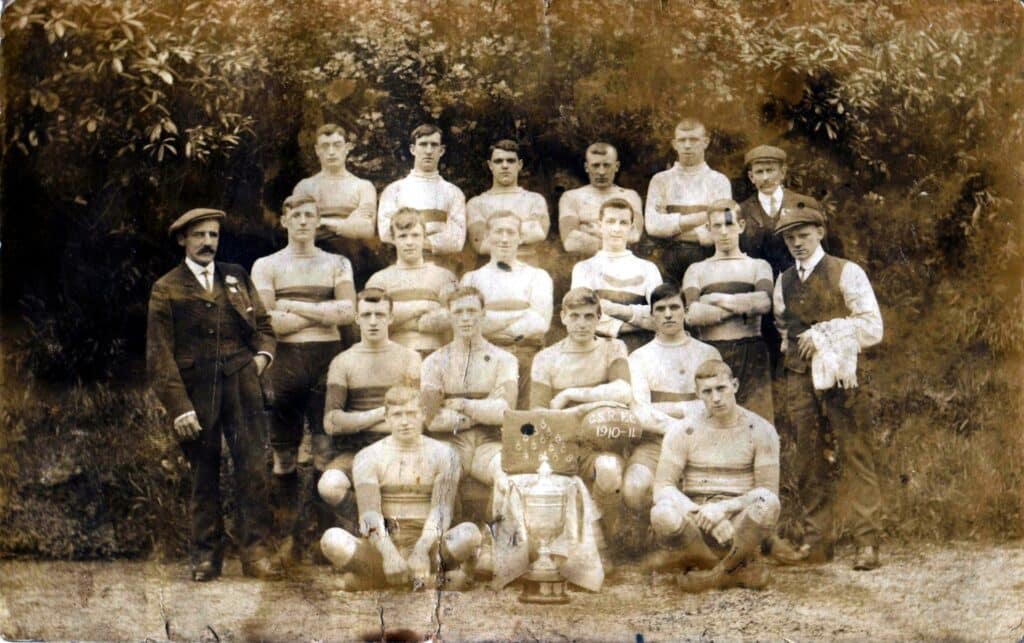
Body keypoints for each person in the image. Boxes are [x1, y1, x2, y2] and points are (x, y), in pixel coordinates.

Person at [146, 208, 282, 581]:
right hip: (197, 391)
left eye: (213, 235)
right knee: (202, 473)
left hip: (242, 385)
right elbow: (160, 356)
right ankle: (206, 557)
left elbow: (265, 328)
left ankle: (255, 555)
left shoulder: (236, 276)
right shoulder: (167, 287)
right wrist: (179, 408)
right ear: (182, 240)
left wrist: (259, 361)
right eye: (199, 235)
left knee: (253, 468)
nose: (208, 243)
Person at [773, 203, 884, 570]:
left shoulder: (846, 272)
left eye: (804, 235)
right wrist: (795, 349)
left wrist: (824, 334)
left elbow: (871, 327)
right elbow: (783, 327)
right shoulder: (784, 280)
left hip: (843, 375)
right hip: (799, 378)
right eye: (790, 238)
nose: (798, 244)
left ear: (820, 232)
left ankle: (866, 542)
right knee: (807, 456)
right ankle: (818, 541)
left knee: (855, 453)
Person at [251, 193, 357, 560]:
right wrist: (320, 312)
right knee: (284, 454)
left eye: (310, 215)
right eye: (296, 216)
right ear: (284, 221)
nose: (303, 222)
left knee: (325, 451)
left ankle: (321, 541)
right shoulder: (266, 265)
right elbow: (269, 322)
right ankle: (287, 539)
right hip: (285, 362)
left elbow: (346, 312)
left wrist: (292, 305)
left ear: (317, 221)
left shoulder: (337, 262)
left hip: (327, 359)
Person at [319, 386, 482, 590]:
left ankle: (371, 582)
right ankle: (426, 581)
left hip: (429, 543)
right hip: (382, 545)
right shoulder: (368, 456)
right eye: (397, 415)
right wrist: (389, 555)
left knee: (470, 533)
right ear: (386, 418)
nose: (405, 421)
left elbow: (441, 510)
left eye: (412, 413)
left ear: (423, 414)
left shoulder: (444, 454)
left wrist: (422, 551)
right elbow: (369, 515)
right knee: (331, 539)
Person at [649, 360, 781, 592]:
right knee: (661, 513)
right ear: (698, 394)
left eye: (721, 389)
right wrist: (702, 514)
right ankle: (728, 567)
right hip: (697, 521)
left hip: (737, 523)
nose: (716, 398)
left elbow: (768, 491)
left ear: (735, 385)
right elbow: (662, 486)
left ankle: (714, 575)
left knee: (768, 503)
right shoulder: (683, 430)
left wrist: (724, 510)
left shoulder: (761, 429)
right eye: (708, 392)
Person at [315, 288, 423, 541]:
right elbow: (331, 422)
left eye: (379, 314)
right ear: (357, 319)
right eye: (366, 315)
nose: (373, 322)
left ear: (391, 318)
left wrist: (357, 420)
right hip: (357, 451)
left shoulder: (409, 358)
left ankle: (395, 535)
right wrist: (381, 413)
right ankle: (372, 526)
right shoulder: (343, 361)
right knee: (329, 485)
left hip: (401, 448)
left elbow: (418, 416)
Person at [529, 288, 634, 517]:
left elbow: (623, 391)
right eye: (575, 316)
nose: (582, 324)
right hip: (560, 443)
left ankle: (609, 535)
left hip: (601, 445)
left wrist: (570, 395)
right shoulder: (545, 358)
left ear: (599, 318)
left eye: (589, 316)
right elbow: (538, 413)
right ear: (563, 317)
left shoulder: (613, 348)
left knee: (609, 471)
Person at [627, 284, 722, 513]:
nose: (668, 314)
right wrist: (687, 414)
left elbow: (716, 407)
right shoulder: (639, 357)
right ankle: (649, 539)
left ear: (685, 311)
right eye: (660, 309)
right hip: (656, 442)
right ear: (652, 316)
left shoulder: (708, 353)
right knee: (633, 487)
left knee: (716, 496)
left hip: (703, 439)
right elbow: (641, 413)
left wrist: (668, 407)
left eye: (674, 307)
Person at [682, 199, 775, 423]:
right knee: (714, 423)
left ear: (741, 225)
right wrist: (743, 306)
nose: (724, 232)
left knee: (757, 423)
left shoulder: (758, 266)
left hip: (751, 352)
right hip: (712, 352)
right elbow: (693, 315)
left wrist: (716, 299)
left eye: (729, 224)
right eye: (717, 226)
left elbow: (763, 303)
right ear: (708, 229)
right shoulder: (697, 270)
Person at [420, 286, 518, 489]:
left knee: (505, 477)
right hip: (449, 443)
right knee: (443, 475)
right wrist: (485, 407)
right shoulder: (434, 362)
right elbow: (432, 420)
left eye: (472, 311)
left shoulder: (505, 359)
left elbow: (505, 413)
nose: (465, 318)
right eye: (458, 312)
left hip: (491, 443)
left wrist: (459, 404)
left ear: (483, 313)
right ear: (449, 316)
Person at [460, 212, 553, 407]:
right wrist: (521, 312)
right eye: (498, 231)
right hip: (486, 358)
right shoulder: (471, 279)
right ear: (487, 236)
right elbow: (470, 325)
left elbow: (540, 322)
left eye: (511, 232)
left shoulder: (538, 276)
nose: (504, 238)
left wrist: (491, 320)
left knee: (527, 422)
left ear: (520, 238)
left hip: (528, 357)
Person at [292, 123, 381, 288]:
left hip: (355, 260)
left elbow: (365, 229)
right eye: (325, 146)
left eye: (337, 145)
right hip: (314, 259)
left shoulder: (362, 186)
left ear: (347, 148)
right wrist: (348, 224)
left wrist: (323, 222)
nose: (331, 152)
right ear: (317, 150)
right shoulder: (305, 187)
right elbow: (299, 229)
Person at [570, 197, 662, 353]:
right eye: (610, 221)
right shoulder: (584, 268)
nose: (616, 229)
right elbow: (582, 315)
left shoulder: (648, 268)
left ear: (631, 228)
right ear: (600, 226)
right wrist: (635, 323)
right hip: (596, 350)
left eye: (623, 223)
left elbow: (660, 314)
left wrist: (613, 312)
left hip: (640, 349)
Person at [644, 118, 732, 281]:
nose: (687, 145)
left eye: (694, 140)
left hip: (708, 260)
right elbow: (652, 226)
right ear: (674, 144)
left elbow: (723, 227)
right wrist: (706, 216)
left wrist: (672, 231)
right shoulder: (660, 180)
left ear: (705, 142)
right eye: (682, 140)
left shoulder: (720, 181)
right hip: (667, 262)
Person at [366, 209, 457, 358]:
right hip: (393, 356)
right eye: (402, 236)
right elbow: (374, 318)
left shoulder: (444, 276)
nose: (409, 242)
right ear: (393, 239)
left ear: (424, 237)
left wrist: (399, 315)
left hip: (436, 355)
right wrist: (422, 308)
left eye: (415, 235)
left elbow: (453, 318)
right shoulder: (379, 280)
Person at [378, 124, 467, 274]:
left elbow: (456, 240)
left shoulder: (453, 192)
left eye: (434, 145)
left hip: (441, 268)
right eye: (423, 144)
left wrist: (415, 242)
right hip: (404, 268)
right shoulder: (394, 190)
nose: (428, 151)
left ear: (441, 150)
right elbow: (386, 233)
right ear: (413, 149)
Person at [466, 139, 550, 266]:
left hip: (528, 275)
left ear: (520, 165)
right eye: (498, 161)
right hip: (489, 278)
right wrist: (522, 230)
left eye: (510, 160)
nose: (505, 165)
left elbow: (538, 233)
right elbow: (482, 246)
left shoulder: (535, 200)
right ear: (490, 165)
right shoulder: (476, 203)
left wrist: (495, 233)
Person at [558, 142, 644, 257]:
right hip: (586, 264)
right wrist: (616, 239)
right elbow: (570, 242)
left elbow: (634, 236)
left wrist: (589, 232)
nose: (601, 172)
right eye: (596, 165)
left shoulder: (631, 196)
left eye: (607, 165)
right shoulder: (571, 197)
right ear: (586, 167)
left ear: (617, 166)